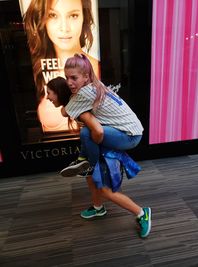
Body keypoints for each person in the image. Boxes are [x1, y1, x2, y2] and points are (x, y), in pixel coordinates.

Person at [58, 53, 151, 238]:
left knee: (86, 133)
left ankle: (142, 212)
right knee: (92, 174)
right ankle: (98, 206)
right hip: (129, 130)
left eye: (74, 78)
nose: (69, 82)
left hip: (128, 135)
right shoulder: (94, 86)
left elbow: (63, 113)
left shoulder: (84, 93)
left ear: (86, 77)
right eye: (67, 77)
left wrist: (64, 100)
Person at [23, 0, 100, 132]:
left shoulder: (97, 68)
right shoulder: (36, 69)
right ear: (43, 19)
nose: (64, 28)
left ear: (84, 17)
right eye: (53, 15)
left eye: (73, 15)